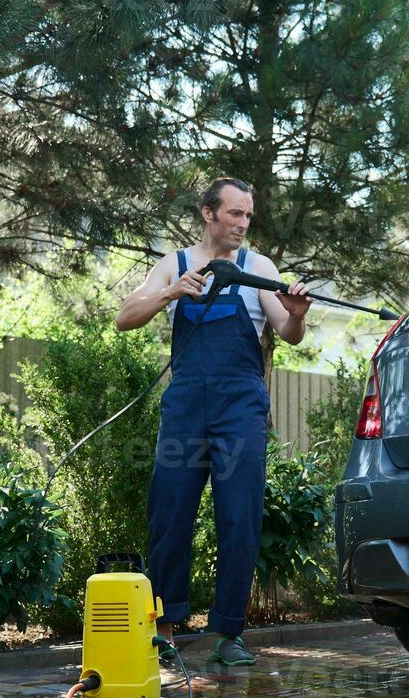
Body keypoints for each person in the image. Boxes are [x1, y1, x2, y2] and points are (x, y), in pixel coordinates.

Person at [115, 178, 311, 665]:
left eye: (248, 216)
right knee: (170, 513)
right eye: (234, 214)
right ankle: (163, 631)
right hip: (185, 405)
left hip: (241, 406)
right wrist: (171, 293)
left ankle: (228, 634)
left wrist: (298, 316)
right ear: (208, 214)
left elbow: (288, 334)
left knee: (239, 517)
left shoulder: (259, 267)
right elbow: (124, 316)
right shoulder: (175, 263)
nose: (243, 224)